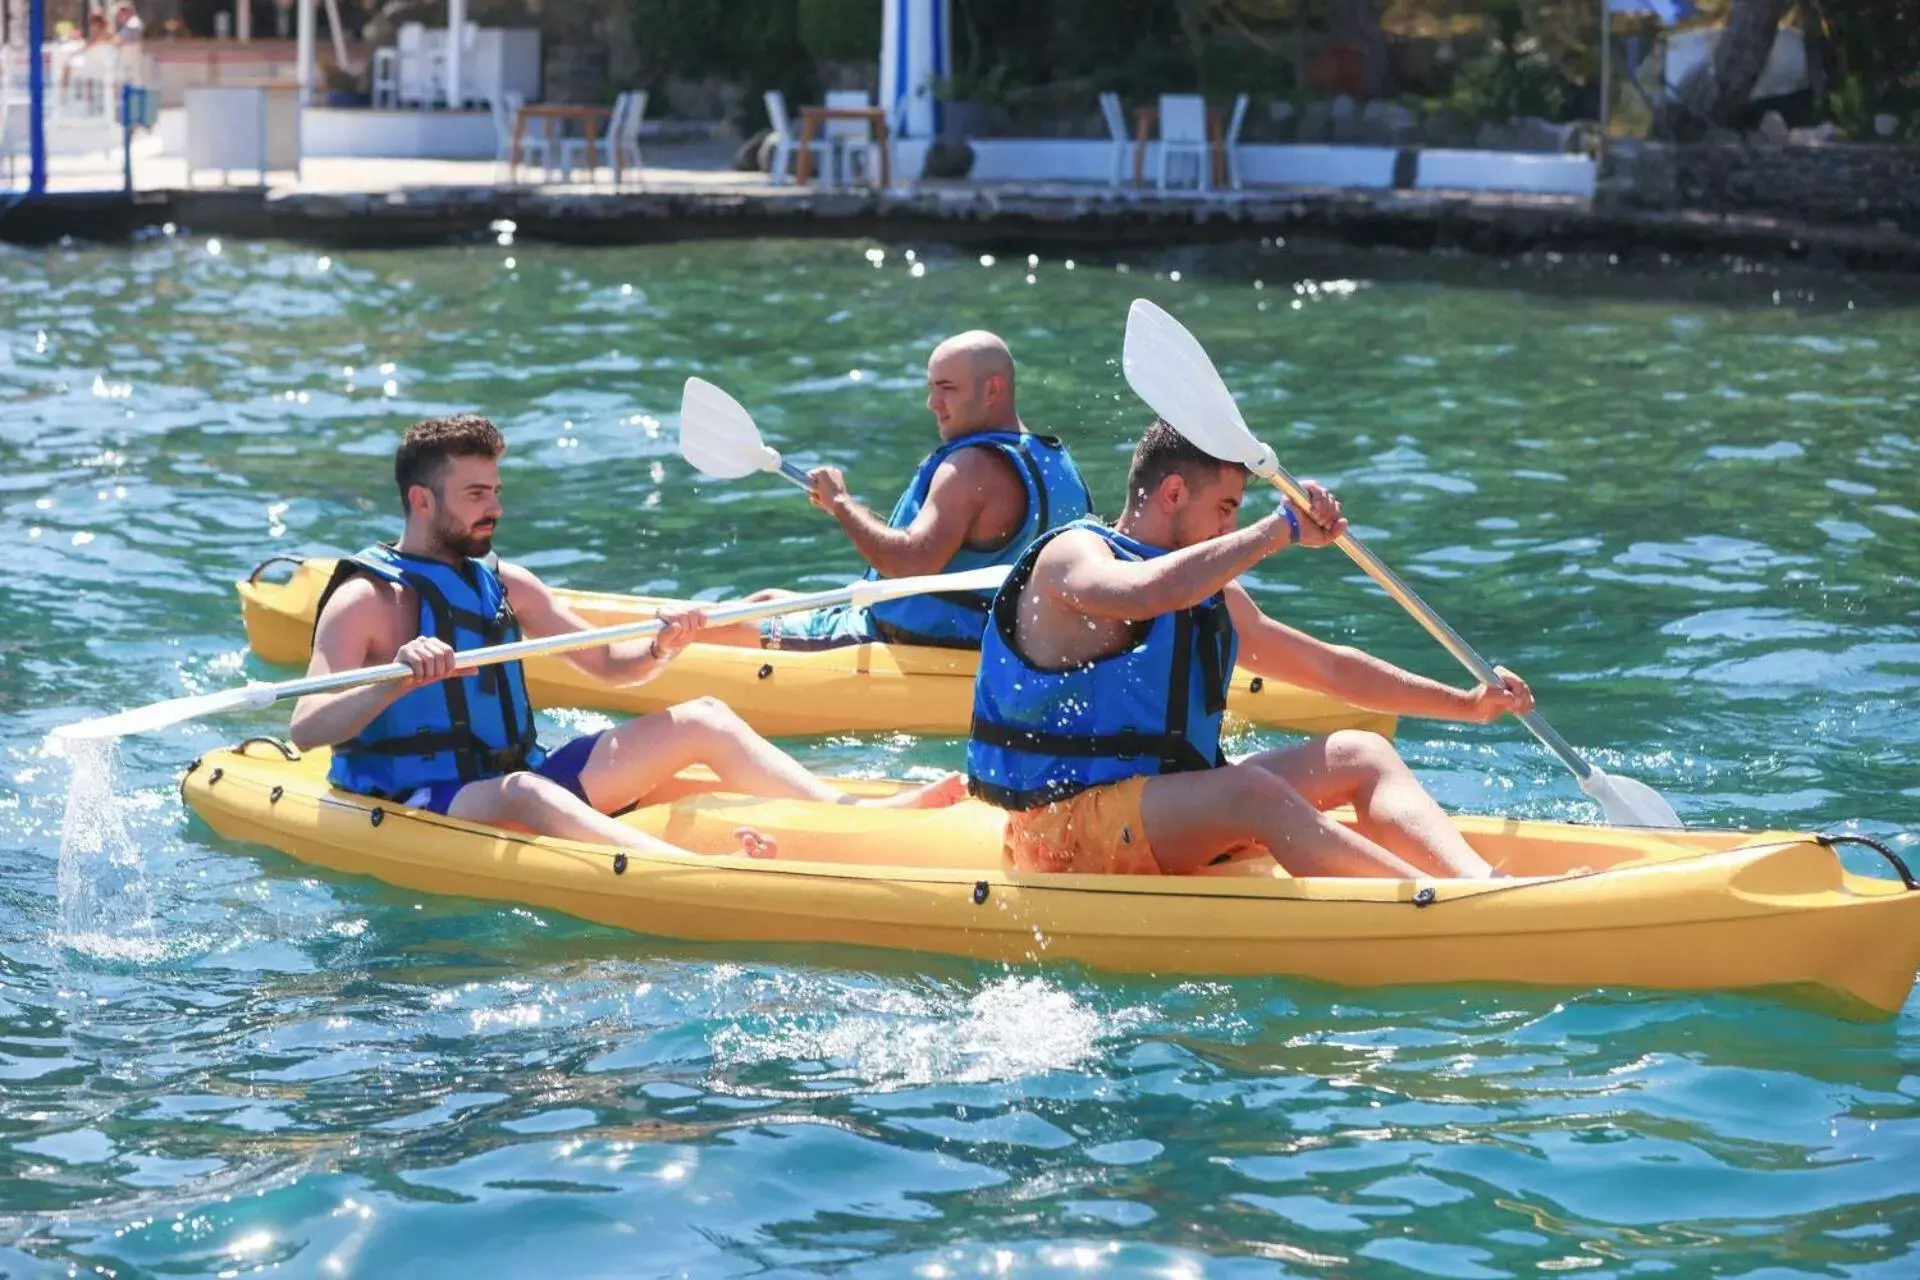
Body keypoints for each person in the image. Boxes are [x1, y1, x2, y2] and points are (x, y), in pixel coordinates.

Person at [289, 415, 963, 860]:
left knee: (702, 718)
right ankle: (691, 871)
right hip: (416, 799)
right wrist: (397, 678)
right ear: (421, 501)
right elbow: (308, 727)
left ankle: (856, 812)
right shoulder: (367, 600)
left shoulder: (508, 583)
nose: (495, 506)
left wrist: (663, 647)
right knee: (525, 793)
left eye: (495, 489)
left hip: (511, 774)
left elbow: (612, 667)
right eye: (475, 494)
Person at [966, 421, 1537, 880]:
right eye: (1225, 508)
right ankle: (1428, 904)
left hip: (1161, 805)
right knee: (1253, 792)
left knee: (1362, 753)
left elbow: (1326, 667)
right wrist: (1277, 530)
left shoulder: (1205, 584)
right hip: (1064, 830)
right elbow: (1144, 594)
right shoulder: (1074, 554)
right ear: (1172, 493)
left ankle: (1485, 887)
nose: (1231, 525)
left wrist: (1467, 705)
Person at [703, 331, 1093, 651]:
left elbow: (910, 564)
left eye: (947, 388)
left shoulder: (970, 467)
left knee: (702, 636)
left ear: (993, 389)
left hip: (922, 646)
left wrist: (841, 504)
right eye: (932, 388)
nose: (932, 403)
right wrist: (849, 509)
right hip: (1004, 647)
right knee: (768, 600)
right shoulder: (1057, 462)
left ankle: (652, 658)